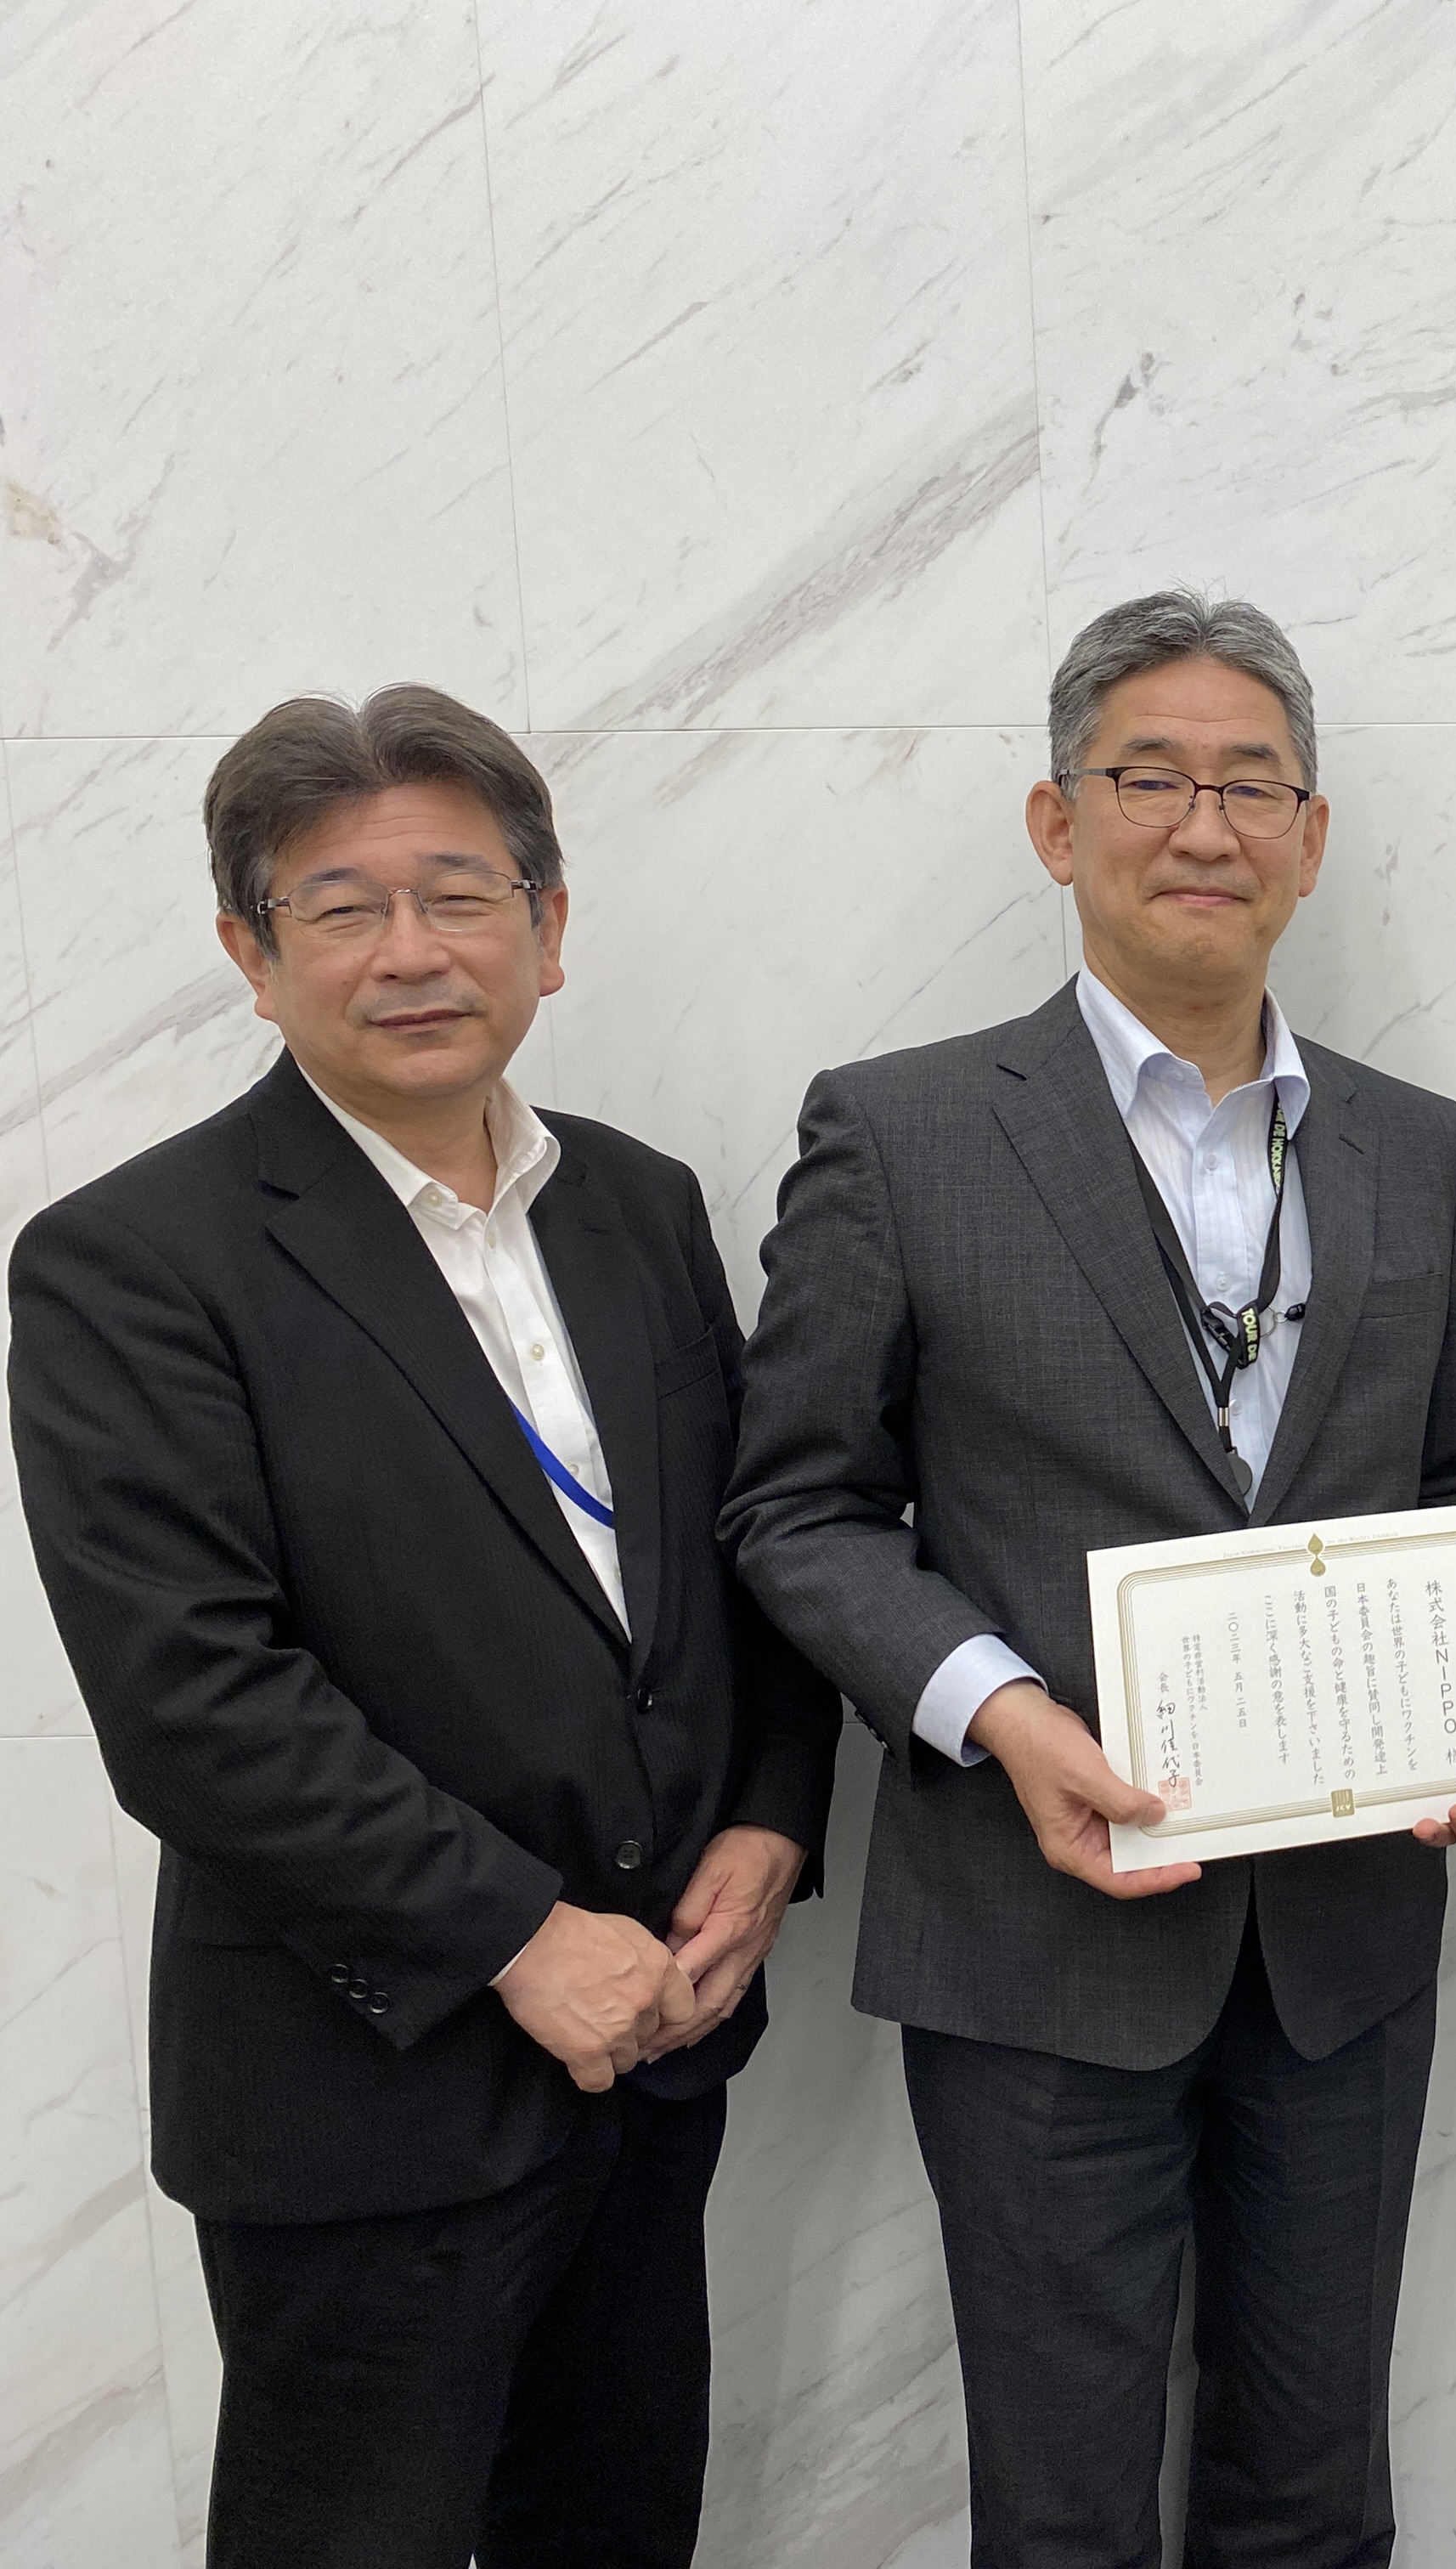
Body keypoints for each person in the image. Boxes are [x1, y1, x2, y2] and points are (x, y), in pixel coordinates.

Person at [720, 591, 1456, 2569]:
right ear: (1057, 821)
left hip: (1344, 1942)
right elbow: (797, 1508)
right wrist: (1001, 1712)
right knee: (1064, 2515)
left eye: (1251, 785)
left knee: (1317, 2497)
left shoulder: (1419, 1148)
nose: (1204, 825)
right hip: (1033, 1932)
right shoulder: (903, 1129)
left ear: (1312, 836)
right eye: (1151, 779)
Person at [7, 687, 838, 2569]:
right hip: (362, 2093)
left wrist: (773, 1820)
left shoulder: (635, 1203)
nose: (411, 951)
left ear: (548, 926)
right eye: (342, 906)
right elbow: (190, 1698)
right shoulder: (133, 1259)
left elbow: (747, 1554)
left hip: (656, 2052)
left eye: (460, 896)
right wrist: (520, 1938)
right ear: (252, 954)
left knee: (616, 2533)